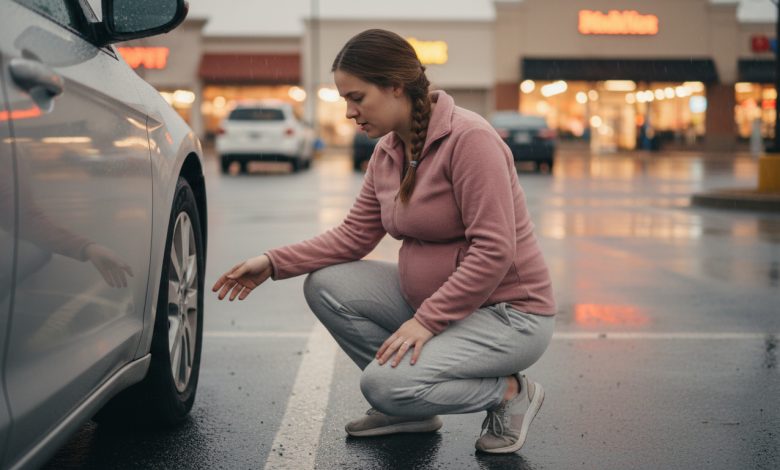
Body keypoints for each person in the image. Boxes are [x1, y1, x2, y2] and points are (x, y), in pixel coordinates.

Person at [212, 29, 556, 454]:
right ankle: (408, 408)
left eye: (357, 98)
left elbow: (494, 250)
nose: (349, 112)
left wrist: (426, 322)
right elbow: (354, 236)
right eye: (345, 100)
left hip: (508, 316)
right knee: (325, 284)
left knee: (381, 384)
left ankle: (509, 393)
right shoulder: (388, 151)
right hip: (436, 304)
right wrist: (272, 261)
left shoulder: (471, 140)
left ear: (395, 86)